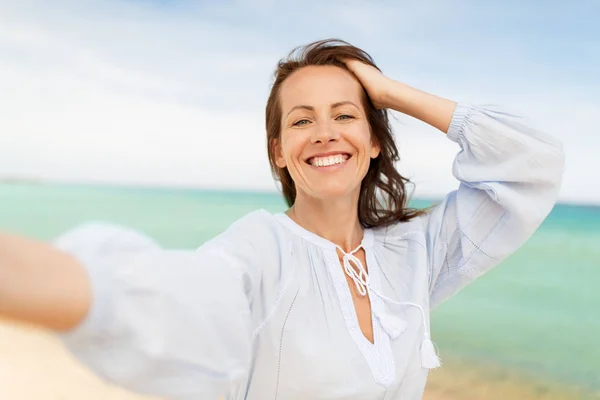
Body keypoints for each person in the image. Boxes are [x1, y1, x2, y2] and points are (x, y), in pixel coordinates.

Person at [0, 39, 565, 400]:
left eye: (345, 115)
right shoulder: (260, 247)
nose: (324, 132)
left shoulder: (414, 253)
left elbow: (531, 167)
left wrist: (389, 92)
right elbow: (174, 299)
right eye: (301, 120)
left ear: (373, 142)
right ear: (278, 152)